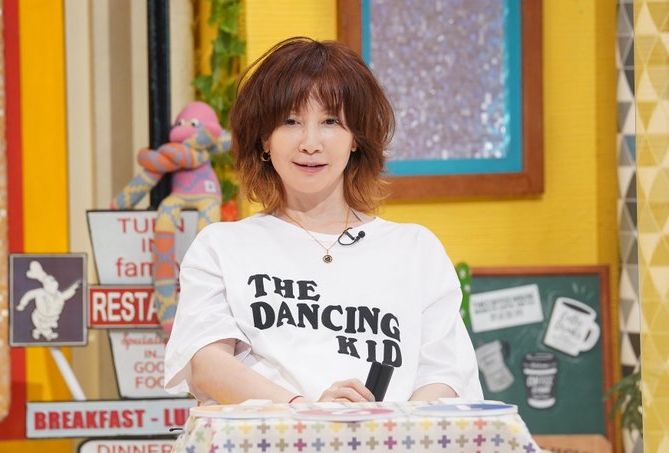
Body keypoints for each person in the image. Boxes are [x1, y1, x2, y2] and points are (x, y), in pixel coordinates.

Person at [164, 37, 482, 404]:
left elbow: (445, 376)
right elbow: (208, 364)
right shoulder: (221, 246)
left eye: (330, 121)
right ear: (264, 139)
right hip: (272, 435)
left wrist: (381, 427)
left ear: (355, 138)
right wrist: (309, 416)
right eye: (291, 121)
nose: (310, 143)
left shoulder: (415, 249)